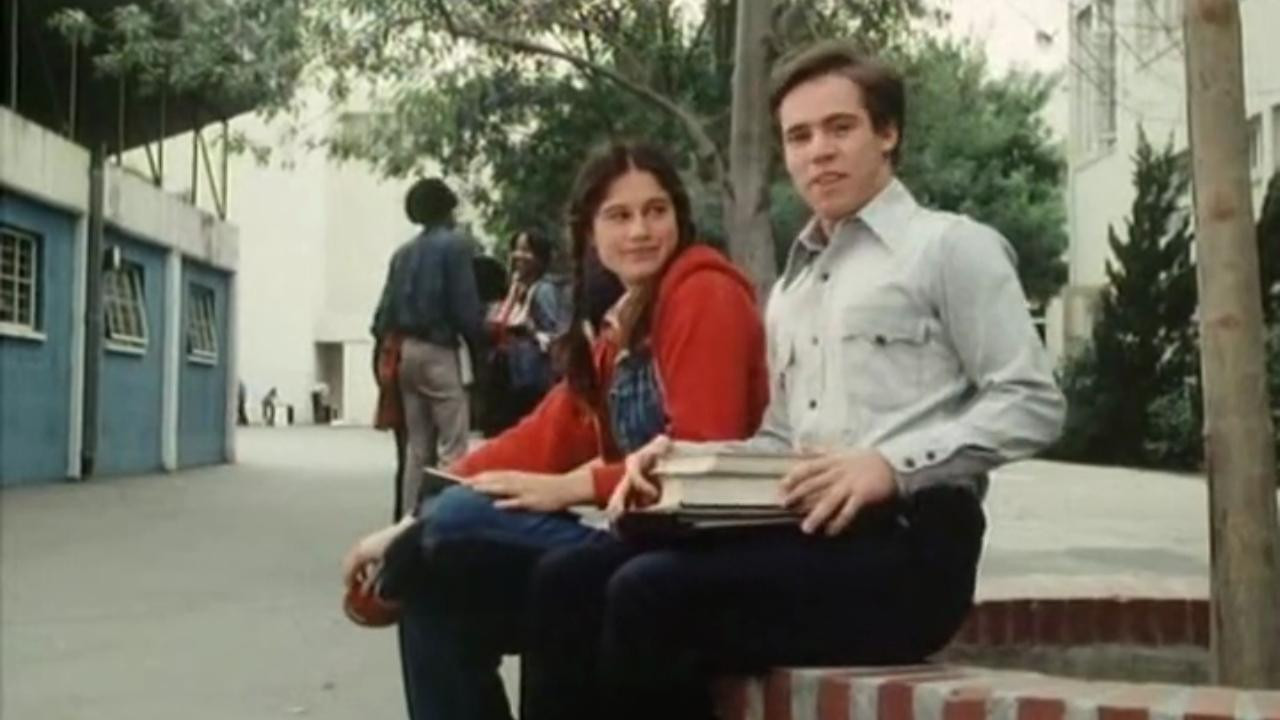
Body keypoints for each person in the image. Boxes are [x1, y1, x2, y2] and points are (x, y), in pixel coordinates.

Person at [517, 42, 1069, 720]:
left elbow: (1032, 401)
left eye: (840, 128)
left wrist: (891, 466)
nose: (819, 153)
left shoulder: (950, 247)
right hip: (804, 534)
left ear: (888, 133)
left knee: (650, 594)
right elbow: (779, 437)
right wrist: (678, 462)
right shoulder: (794, 287)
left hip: (909, 550)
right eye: (799, 137)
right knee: (567, 579)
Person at [341, 141, 770, 720]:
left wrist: (571, 488)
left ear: (679, 218)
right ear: (591, 232)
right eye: (619, 216)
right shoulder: (623, 324)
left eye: (656, 211)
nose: (640, 231)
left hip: (694, 550)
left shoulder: (704, 294)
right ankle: (415, 555)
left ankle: (416, 549)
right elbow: (542, 437)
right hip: (632, 540)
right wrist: (408, 523)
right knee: (433, 593)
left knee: (460, 519)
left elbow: (703, 458)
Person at [371, 178, 490, 516]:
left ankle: (410, 518)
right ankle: (445, 516)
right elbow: (465, 308)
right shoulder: (457, 247)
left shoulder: (402, 254)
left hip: (406, 351)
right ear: (447, 208)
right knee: (453, 443)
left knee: (417, 448)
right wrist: (480, 349)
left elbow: (382, 317)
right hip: (439, 350)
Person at [481, 230, 571, 436]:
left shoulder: (543, 290)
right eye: (516, 249)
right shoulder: (517, 289)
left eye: (526, 250)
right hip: (515, 375)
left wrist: (529, 329)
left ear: (540, 257)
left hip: (531, 377)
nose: (519, 256)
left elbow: (555, 332)